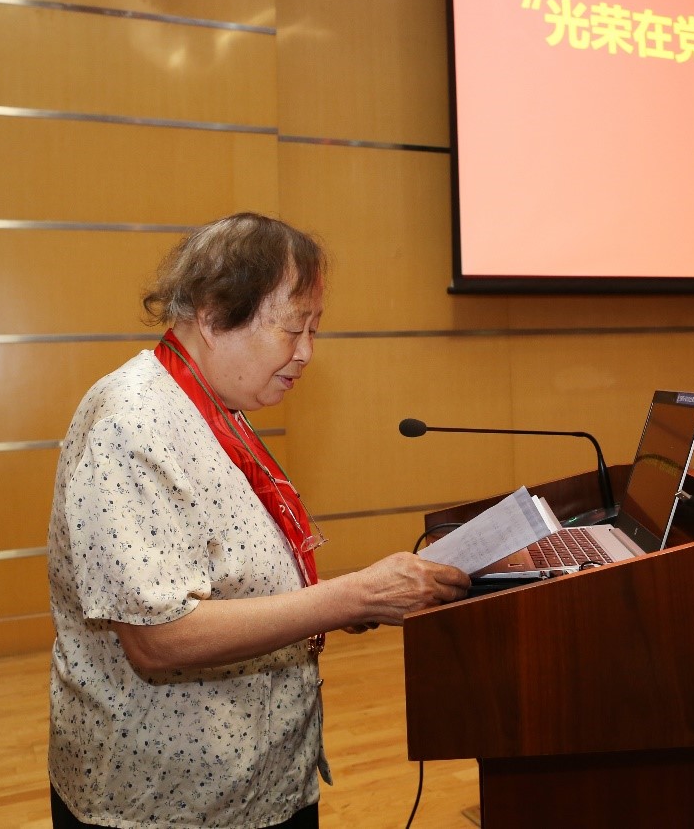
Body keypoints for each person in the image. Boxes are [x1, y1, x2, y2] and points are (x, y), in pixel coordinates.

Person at [47, 212, 471, 828]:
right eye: (293, 329)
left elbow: (226, 572)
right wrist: (353, 597)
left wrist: (334, 602)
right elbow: (159, 638)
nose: (306, 354)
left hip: (257, 783)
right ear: (214, 316)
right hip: (166, 805)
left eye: (314, 330)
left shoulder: (211, 402)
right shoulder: (133, 423)